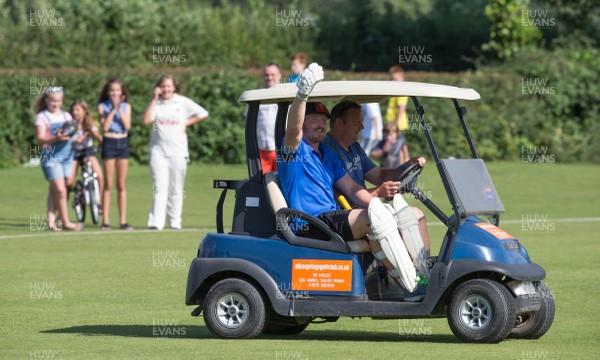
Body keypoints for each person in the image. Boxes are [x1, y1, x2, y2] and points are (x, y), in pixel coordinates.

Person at [278, 63, 426, 296]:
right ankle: (413, 282)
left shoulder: (327, 156)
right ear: (302, 121)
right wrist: (302, 95)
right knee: (375, 218)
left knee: (385, 219)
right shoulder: (294, 152)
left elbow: (353, 188)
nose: (320, 124)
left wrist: (380, 204)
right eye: (314, 118)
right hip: (308, 222)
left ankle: (410, 285)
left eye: (323, 119)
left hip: (329, 218)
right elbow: (293, 131)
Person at [323, 101, 430, 259]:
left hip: (365, 208)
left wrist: (405, 166)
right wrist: (378, 192)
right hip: (349, 215)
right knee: (410, 217)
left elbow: (379, 175)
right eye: (356, 123)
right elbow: (343, 198)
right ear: (339, 123)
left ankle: (425, 270)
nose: (362, 127)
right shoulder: (328, 152)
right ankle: (417, 275)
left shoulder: (355, 148)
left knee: (417, 215)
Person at [142, 75, 209, 230]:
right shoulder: (156, 103)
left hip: (178, 152)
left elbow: (203, 113)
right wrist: (154, 98)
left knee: (176, 188)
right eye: (163, 86)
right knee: (159, 187)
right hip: (158, 152)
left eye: (169, 86)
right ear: (158, 88)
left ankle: (175, 222)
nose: (166, 89)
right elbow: (146, 120)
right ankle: (156, 223)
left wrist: (187, 123)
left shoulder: (182, 102)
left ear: (174, 87)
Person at [33, 87, 83, 231]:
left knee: (55, 189)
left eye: (58, 101)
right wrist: (57, 137)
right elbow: (41, 139)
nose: (55, 103)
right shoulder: (42, 117)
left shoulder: (66, 116)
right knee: (61, 190)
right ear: (47, 100)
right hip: (51, 156)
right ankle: (66, 222)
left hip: (66, 156)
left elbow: (72, 132)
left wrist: (76, 136)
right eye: (53, 100)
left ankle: (51, 221)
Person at [97, 79, 133, 230]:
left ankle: (123, 220)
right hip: (109, 143)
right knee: (108, 184)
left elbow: (127, 125)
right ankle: (105, 220)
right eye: (112, 91)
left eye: (117, 90)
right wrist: (112, 109)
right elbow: (105, 127)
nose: (115, 93)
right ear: (108, 92)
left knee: (121, 184)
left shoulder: (126, 107)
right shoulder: (102, 107)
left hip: (122, 143)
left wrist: (119, 109)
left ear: (122, 93)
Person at [67, 99, 104, 213]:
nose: (75, 112)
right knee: (68, 182)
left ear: (84, 111)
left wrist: (93, 133)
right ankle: (62, 211)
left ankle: (99, 203)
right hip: (73, 152)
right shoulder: (69, 124)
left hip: (87, 151)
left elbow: (99, 138)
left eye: (78, 110)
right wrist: (74, 139)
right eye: (73, 110)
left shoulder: (90, 124)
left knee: (99, 176)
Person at [246, 63, 281, 173]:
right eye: (266, 75)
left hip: (282, 150)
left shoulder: (288, 95)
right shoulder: (256, 96)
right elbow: (249, 121)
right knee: (261, 184)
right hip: (261, 151)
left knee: (283, 183)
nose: (269, 77)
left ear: (279, 75)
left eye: (272, 74)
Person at [386, 66, 410, 164]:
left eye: (395, 79)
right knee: (400, 146)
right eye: (392, 79)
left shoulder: (401, 91)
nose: (393, 81)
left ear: (402, 78)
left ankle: (404, 164)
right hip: (394, 123)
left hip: (398, 124)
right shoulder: (396, 91)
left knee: (400, 146)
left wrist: (395, 125)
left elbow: (401, 110)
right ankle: (403, 164)